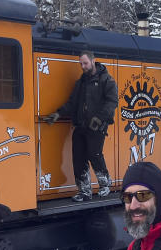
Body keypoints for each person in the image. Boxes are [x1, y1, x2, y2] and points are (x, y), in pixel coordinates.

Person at [44, 50, 118, 201]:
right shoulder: (81, 82)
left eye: (85, 63)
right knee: (78, 158)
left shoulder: (106, 80)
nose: (83, 66)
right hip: (81, 125)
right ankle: (84, 191)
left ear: (93, 61)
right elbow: (73, 102)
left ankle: (105, 185)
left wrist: (99, 118)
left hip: (97, 126)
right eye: (81, 64)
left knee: (94, 154)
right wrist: (58, 113)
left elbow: (112, 102)